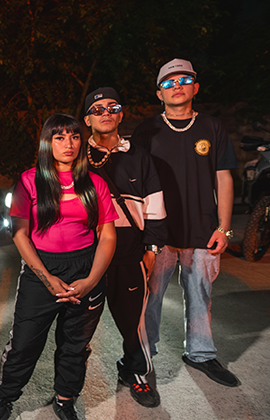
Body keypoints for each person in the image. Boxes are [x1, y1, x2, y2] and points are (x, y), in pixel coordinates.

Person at [0, 114, 117, 420]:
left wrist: (90, 280)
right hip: (41, 269)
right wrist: (47, 278)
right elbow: (19, 234)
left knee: (75, 345)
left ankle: (65, 399)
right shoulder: (29, 180)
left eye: (74, 136)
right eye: (59, 137)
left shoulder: (95, 183)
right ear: (47, 142)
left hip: (85, 269)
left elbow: (108, 236)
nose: (68, 143)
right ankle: (5, 398)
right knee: (24, 344)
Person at [132, 58, 240, 387]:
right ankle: (143, 353)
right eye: (168, 82)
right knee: (149, 296)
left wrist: (223, 227)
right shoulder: (146, 131)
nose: (176, 86)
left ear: (195, 87)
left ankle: (201, 354)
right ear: (159, 94)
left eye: (184, 80)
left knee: (200, 296)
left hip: (203, 230)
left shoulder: (212, 127)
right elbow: (135, 183)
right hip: (158, 232)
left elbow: (223, 177)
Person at [83, 87, 167, 407]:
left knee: (134, 322)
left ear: (121, 114)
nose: (105, 113)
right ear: (87, 119)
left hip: (130, 252)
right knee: (77, 325)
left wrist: (152, 249)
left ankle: (136, 373)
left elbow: (155, 205)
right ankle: (68, 382)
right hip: (86, 254)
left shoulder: (139, 156)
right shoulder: (76, 155)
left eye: (112, 107)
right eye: (98, 109)